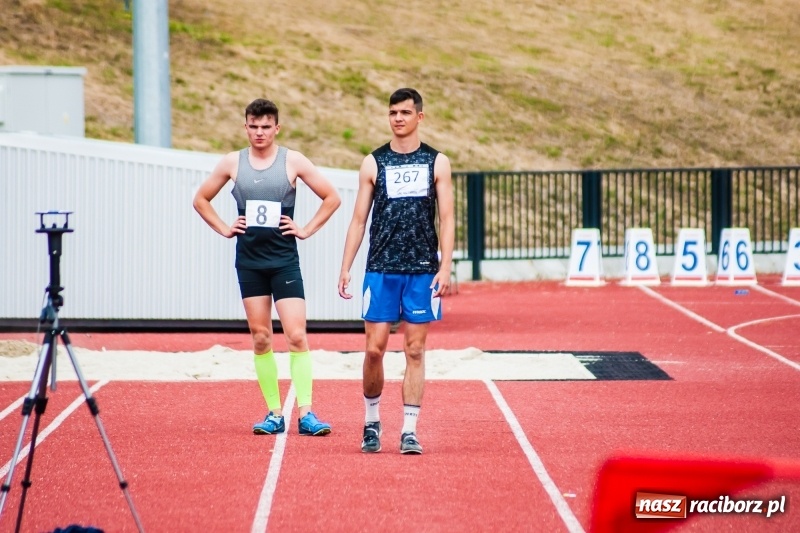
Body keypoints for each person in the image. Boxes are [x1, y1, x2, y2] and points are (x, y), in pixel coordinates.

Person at [193, 98, 341, 436]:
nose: (259, 132)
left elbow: (331, 197)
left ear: (277, 128)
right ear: (245, 127)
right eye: (253, 126)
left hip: (284, 260)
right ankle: (274, 412)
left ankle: (307, 413)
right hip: (249, 262)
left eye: (266, 126)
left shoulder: (293, 161)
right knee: (261, 337)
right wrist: (224, 227)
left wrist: (305, 229)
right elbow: (200, 199)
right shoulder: (233, 163)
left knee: (297, 335)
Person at [337, 88, 455, 454]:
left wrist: (446, 265)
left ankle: (409, 430)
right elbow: (358, 220)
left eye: (405, 112)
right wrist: (346, 267)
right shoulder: (373, 162)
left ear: (420, 116)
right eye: (393, 113)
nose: (398, 118)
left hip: (421, 270)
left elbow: (448, 217)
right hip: (380, 268)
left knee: (415, 351)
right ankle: (372, 422)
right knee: (374, 350)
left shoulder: (437, 162)